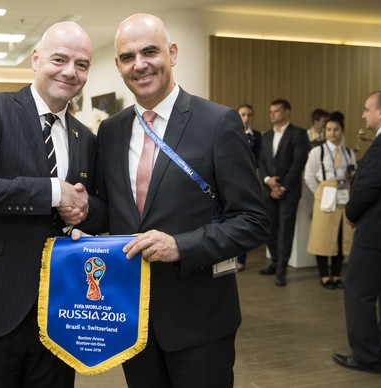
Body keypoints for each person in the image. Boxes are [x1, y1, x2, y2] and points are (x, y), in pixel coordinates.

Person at [94, 14, 269, 387]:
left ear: (172, 54)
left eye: (150, 51)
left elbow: (253, 220)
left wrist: (181, 245)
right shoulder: (110, 131)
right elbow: (109, 210)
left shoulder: (218, 122)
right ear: (118, 66)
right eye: (128, 57)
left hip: (199, 318)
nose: (140, 65)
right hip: (132, 318)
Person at [0, 22, 105, 388]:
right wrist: (54, 192)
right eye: (59, 59)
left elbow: (100, 208)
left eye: (81, 64)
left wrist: (84, 209)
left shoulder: (87, 138)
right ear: (35, 59)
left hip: (59, 312)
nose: (69, 71)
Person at [333, 91, 381, 374]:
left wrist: (351, 214)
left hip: (377, 234)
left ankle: (366, 357)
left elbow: (367, 188)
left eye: (367, 110)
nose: (363, 115)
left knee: (358, 293)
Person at [258, 99, 309, 286]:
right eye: (271, 111)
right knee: (269, 230)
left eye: (276, 111)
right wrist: (268, 181)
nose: (272, 114)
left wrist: (282, 186)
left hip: (289, 192)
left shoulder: (298, 133)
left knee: (285, 232)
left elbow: (298, 163)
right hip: (269, 190)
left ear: (287, 112)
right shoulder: (266, 136)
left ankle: (281, 271)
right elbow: (261, 161)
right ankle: (275, 262)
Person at [304, 111, 356, 289]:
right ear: (324, 131)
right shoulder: (317, 152)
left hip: (343, 195)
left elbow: (352, 174)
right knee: (323, 236)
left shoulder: (349, 152)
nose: (332, 133)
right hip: (325, 197)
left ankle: (336, 274)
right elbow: (309, 176)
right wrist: (319, 192)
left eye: (336, 129)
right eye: (329, 129)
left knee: (341, 236)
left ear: (342, 131)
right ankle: (324, 276)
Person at [236, 103, 262, 271]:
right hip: (232, 180)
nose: (245, 118)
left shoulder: (258, 136)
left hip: (250, 181)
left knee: (244, 219)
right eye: (242, 114)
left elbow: (260, 160)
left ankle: (242, 259)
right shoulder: (230, 132)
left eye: (248, 115)